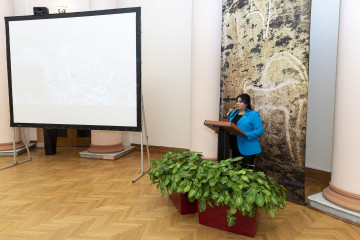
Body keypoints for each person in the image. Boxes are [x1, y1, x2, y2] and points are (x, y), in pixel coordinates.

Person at [228, 93, 263, 168]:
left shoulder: (253, 114)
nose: (238, 103)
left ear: (246, 103)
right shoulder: (233, 113)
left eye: (240, 101)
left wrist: (246, 134)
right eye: (237, 101)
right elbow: (230, 126)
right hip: (235, 146)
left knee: (246, 172)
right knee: (236, 170)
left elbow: (259, 130)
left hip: (248, 147)